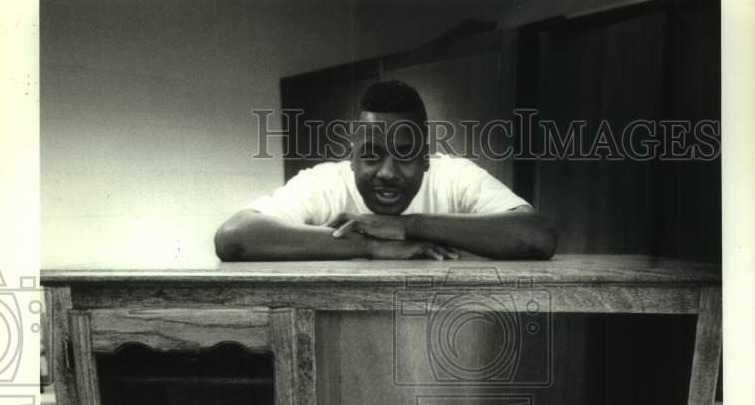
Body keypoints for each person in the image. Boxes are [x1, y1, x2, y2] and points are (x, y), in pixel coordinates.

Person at [215, 80, 556, 261]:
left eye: (405, 154)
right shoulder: (323, 182)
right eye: (372, 155)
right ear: (351, 157)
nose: (388, 173)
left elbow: (536, 237)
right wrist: (370, 246)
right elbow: (235, 238)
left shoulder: (456, 176)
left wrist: (406, 226)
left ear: (426, 156)